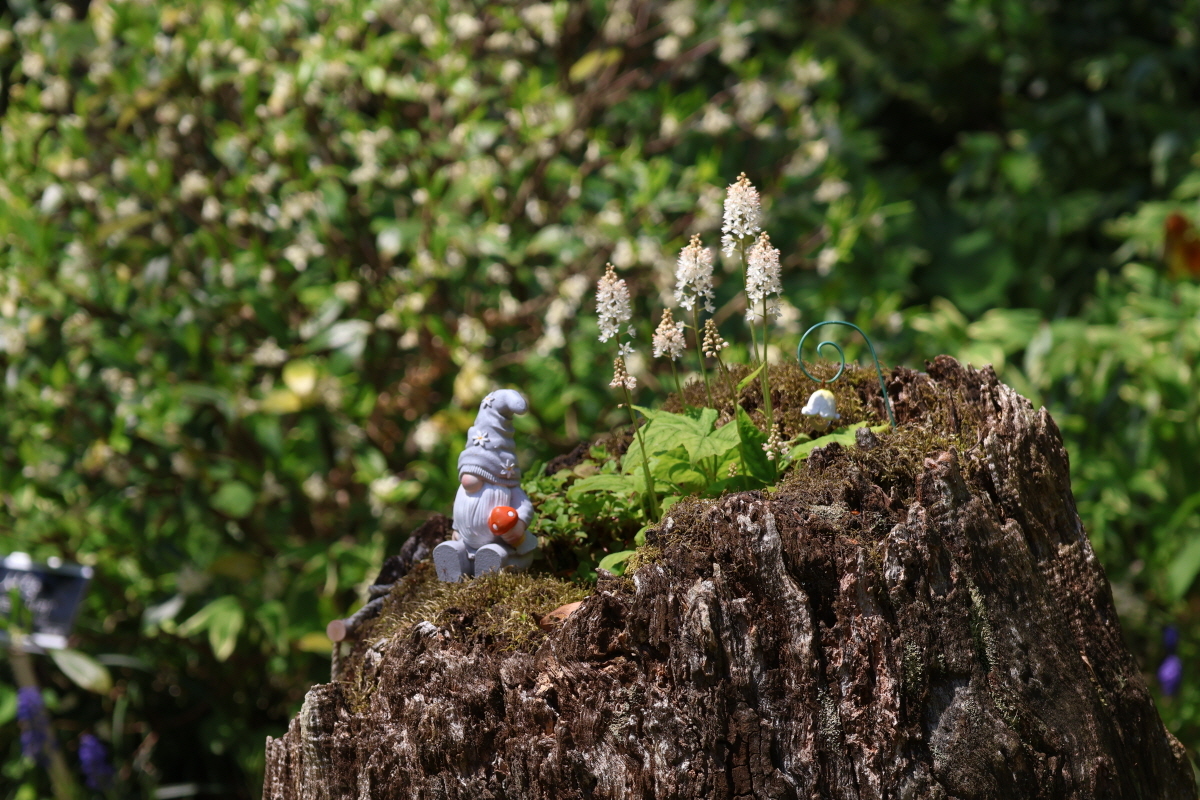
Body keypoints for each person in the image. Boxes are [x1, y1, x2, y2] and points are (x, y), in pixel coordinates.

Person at [433, 389, 537, 581]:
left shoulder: (508, 488)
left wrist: (518, 525)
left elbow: (524, 507)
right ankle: (453, 569)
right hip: (468, 541)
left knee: (494, 553)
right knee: (452, 549)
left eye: (477, 469)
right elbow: (461, 510)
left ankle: (488, 576)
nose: (467, 479)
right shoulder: (463, 489)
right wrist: (458, 529)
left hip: (501, 543)